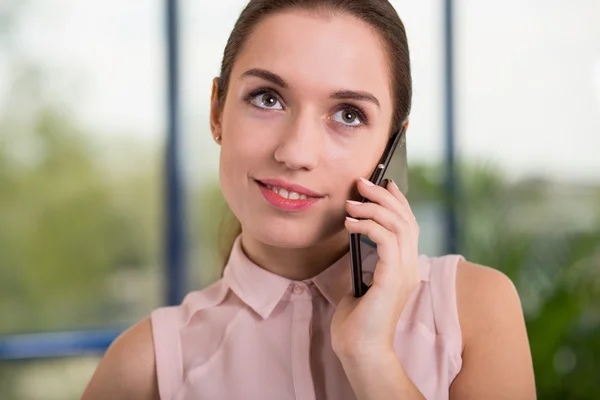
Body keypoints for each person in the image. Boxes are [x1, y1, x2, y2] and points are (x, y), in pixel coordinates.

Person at [82, 1, 536, 399]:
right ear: (217, 111)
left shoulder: (472, 310)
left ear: (393, 148)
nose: (295, 153)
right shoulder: (146, 367)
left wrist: (371, 358)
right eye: (267, 98)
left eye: (348, 114)